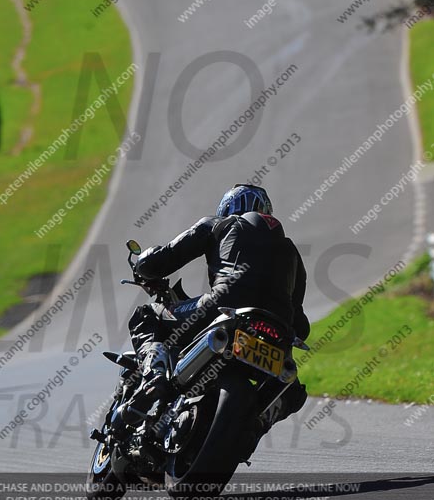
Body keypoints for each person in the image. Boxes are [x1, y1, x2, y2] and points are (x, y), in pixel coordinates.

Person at [123, 185, 310, 436]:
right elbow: (301, 324)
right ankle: (258, 424)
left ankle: (154, 376)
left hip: (222, 308)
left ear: (228, 207)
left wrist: (144, 263)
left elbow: (165, 257)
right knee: (293, 389)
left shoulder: (218, 224)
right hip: (278, 327)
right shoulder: (290, 250)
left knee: (145, 316)